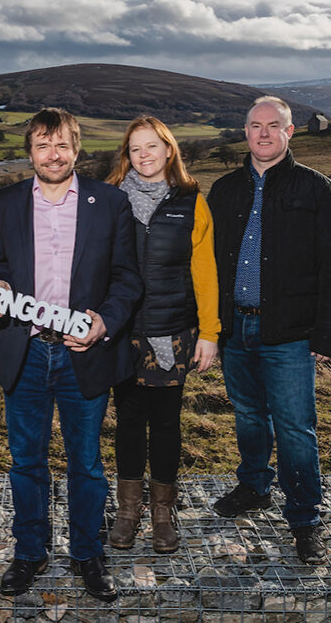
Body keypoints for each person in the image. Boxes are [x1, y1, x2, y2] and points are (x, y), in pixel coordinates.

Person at [0, 108, 142, 602]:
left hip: (85, 353)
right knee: (26, 462)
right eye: (41, 145)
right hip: (27, 350)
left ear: (76, 149)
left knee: (87, 463)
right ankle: (29, 553)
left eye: (61, 146)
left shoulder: (110, 202)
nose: (52, 155)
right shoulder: (7, 202)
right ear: (30, 150)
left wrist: (105, 321)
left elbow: (127, 277)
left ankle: (87, 554)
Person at [206, 96, 331, 564]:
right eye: (255, 126)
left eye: (274, 126)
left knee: (294, 428)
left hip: (290, 331)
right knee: (249, 416)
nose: (263, 134)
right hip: (235, 328)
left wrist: (327, 334)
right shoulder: (224, 190)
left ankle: (306, 518)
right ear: (244, 132)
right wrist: (208, 326)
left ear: (290, 133)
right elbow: (205, 266)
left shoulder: (316, 189)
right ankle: (254, 486)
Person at [104, 116, 220, 554]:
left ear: (169, 150)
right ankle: (128, 512)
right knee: (129, 423)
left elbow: (205, 272)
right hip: (123, 333)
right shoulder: (111, 200)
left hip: (172, 334)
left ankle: (161, 515)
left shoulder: (192, 201)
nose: (144, 155)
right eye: (135, 149)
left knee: (167, 424)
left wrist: (210, 332)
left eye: (152, 146)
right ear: (127, 155)